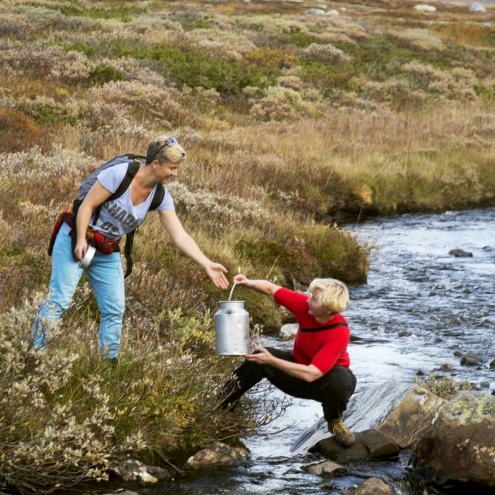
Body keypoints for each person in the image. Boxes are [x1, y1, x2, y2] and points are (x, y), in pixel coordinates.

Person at [31, 136, 229, 360]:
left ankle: (108, 365)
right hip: (76, 237)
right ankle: (34, 355)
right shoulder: (119, 175)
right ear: (155, 164)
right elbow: (86, 205)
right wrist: (79, 241)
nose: (175, 174)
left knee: (114, 309)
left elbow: (180, 235)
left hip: (106, 249)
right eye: (172, 168)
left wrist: (206, 263)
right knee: (59, 300)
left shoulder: (160, 196)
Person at [220, 274, 357, 447]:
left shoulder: (339, 332)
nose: (308, 301)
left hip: (323, 385)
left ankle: (334, 422)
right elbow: (271, 289)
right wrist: (248, 283)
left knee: (341, 378)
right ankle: (222, 406)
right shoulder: (305, 307)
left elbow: (312, 374)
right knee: (258, 358)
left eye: (314, 299)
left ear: (328, 308)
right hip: (296, 376)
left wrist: (271, 361)